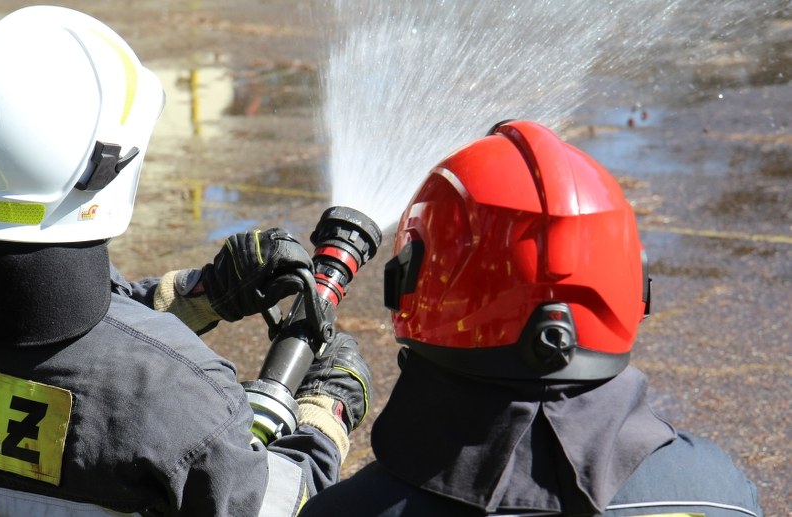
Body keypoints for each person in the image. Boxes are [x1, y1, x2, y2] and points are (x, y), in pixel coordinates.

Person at [0, 6, 371, 516]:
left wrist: (205, 294)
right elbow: (277, 504)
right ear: (103, 172)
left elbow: (69, 346)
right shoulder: (179, 405)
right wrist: (321, 417)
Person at [299, 120, 762, 516]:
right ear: (633, 288)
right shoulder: (722, 494)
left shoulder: (351, 509)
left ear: (411, 288)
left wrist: (309, 440)